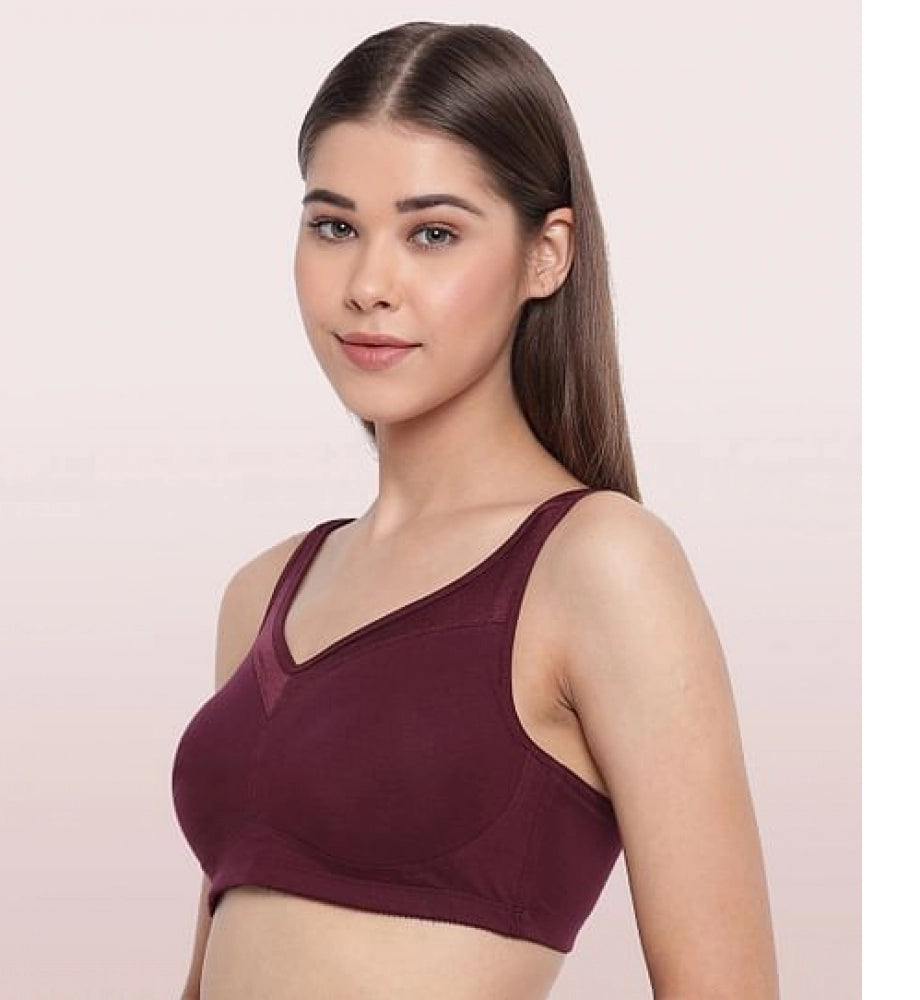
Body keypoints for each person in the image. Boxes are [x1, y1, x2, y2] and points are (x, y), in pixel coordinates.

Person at [172, 20, 779, 1000]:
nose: (368, 286)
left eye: (433, 234)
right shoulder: (263, 592)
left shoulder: (598, 564)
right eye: (334, 226)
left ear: (547, 255)